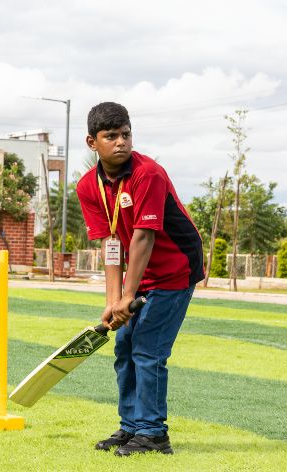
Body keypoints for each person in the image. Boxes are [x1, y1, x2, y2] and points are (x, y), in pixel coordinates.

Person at [76, 102, 204, 455]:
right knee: (124, 347)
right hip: (139, 270)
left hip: (174, 267)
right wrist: (113, 301)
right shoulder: (89, 187)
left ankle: (153, 433)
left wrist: (127, 294)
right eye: (111, 136)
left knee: (148, 349)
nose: (121, 142)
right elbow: (112, 243)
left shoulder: (149, 173)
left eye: (126, 134)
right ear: (92, 142)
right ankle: (132, 426)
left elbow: (144, 237)